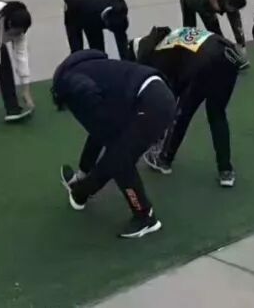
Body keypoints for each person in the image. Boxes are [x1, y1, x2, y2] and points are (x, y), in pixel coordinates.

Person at [52, 50, 175, 239]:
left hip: (149, 104)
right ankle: (81, 191)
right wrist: (83, 171)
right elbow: (98, 132)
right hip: (156, 93)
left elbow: (97, 120)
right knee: (116, 153)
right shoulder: (92, 69)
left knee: (120, 160)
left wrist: (85, 174)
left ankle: (145, 217)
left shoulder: (72, 85)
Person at [131, 27, 241, 187]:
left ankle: (165, 159)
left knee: (183, 113)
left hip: (204, 62)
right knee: (217, 114)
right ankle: (226, 171)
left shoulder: (157, 56)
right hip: (229, 56)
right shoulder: (168, 39)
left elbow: (170, 93)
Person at [62, 0, 131, 58]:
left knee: (98, 51)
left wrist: (127, 61)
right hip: (74, 11)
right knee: (78, 50)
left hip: (97, 0)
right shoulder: (86, 7)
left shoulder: (120, 8)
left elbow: (122, 42)